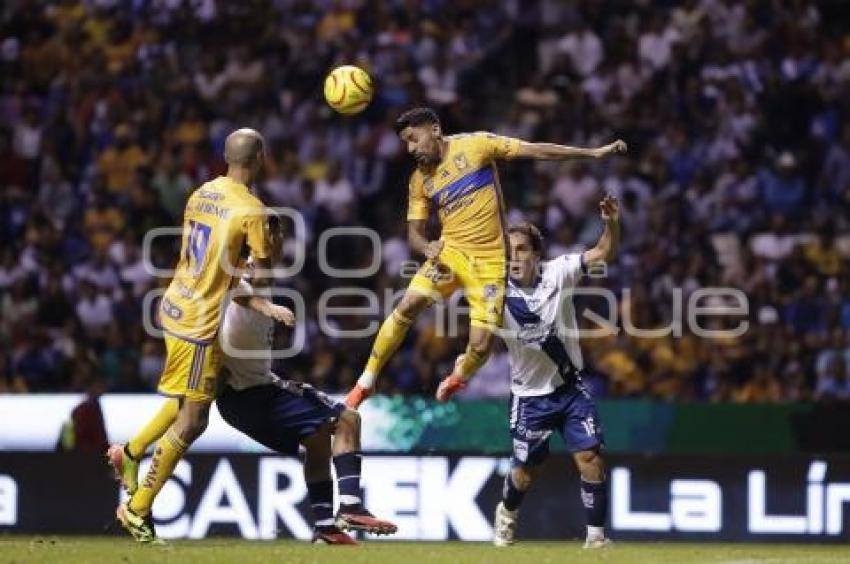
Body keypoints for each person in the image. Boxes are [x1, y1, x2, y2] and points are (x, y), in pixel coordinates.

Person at [345, 107, 626, 408]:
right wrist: (426, 247)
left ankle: (459, 374)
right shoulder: (418, 181)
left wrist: (593, 153)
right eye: (406, 143)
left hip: (491, 261)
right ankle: (366, 382)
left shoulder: (476, 145)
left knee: (480, 347)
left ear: (435, 130)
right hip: (451, 253)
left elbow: (535, 151)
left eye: (414, 139)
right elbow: (414, 233)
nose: (411, 149)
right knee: (408, 303)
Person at [107, 128, 288, 543]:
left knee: (202, 390)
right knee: (193, 421)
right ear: (259, 158)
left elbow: (208, 255)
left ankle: (131, 452)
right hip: (198, 322)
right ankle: (137, 507)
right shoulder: (253, 210)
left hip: (176, 302)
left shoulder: (202, 192)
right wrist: (271, 247)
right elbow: (260, 278)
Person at [215, 244, 398, 544]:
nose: (265, 266)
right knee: (348, 420)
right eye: (258, 261)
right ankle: (351, 505)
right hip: (254, 394)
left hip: (237, 402)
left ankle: (326, 526)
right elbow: (242, 292)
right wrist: (269, 307)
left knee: (316, 439)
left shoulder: (247, 287)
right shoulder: (239, 285)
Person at [492, 195, 620, 549]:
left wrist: (611, 222)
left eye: (520, 250)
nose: (513, 257)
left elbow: (602, 253)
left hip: (569, 388)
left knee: (590, 456)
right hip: (530, 398)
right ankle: (507, 512)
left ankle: (596, 539)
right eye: (508, 250)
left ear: (536, 254)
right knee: (526, 472)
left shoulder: (560, 270)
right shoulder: (496, 290)